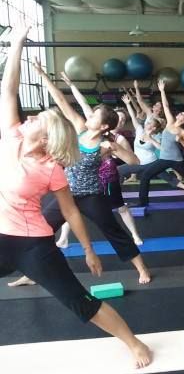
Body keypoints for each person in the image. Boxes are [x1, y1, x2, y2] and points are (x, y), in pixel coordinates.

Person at [0, 27, 152, 368]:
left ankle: (133, 342)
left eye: (37, 119)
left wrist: (87, 250)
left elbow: (70, 212)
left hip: (33, 245)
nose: (29, 117)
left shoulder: (51, 168)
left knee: (78, 300)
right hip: (1, 237)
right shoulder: (11, 136)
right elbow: (8, 89)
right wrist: (17, 45)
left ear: (46, 137)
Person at [21, 58, 152, 285]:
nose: (88, 117)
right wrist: (42, 76)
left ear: (104, 126)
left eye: (93, 116)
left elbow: (135, 160)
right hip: (66, 193)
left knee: (114, 232)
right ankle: (32, 273)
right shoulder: (80, 128)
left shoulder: (105, 144)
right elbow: (62, 102)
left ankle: (142, 269)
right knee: (42, 230)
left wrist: (115, 148)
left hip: (92, 196)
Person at [54, 75, 144, 247]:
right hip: (86, 180)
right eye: (119, 118)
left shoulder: (117, 140)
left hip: (108, 177)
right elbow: (82, 104)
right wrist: (72, 85)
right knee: (70, 207)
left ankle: (134, 234)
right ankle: (64, 238)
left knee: (119, 208)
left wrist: (114, 151)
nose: (121, 121)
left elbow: (133, 160)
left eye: (123, 120)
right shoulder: (90, 129)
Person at [135, 80, 184, 208]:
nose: (180, 114)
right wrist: (162, 91)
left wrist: (181, 140)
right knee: (146, 176)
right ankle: (143, 202)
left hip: (176, 160)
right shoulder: (169, 122)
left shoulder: (182, 132)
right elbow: (165, 106)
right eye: (181, 113)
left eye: (183, 115)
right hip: (163, 159)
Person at [118, 92, 184, 193]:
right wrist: (127, 104)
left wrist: (151, 139)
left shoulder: (154, 138)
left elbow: (162, 148)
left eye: (149, 124)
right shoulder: (139, 130)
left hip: (151, 163)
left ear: (153, 128)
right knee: (118, 170)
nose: (146, 124)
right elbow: (133, 117)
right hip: (138, 163)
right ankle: (117, 189)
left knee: (166, 176)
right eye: (147, 123)